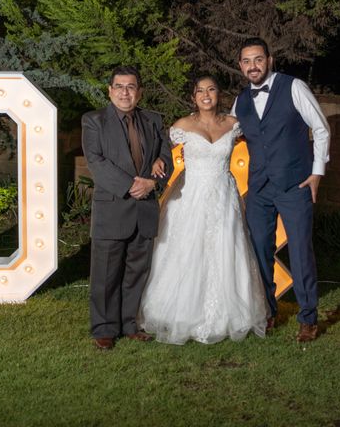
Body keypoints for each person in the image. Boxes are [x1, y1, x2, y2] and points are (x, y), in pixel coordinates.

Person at [139, 75, 268, 345]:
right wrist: (155, 162)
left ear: (219, 94)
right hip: (190, 196)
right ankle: (180, 312)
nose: (206, 95)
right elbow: (161, 150)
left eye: (211, 89)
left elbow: (262, 141)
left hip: (224, 194)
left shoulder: (234, 125)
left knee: (225, 247)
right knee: (187, 249)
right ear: (193, 97)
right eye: (200, 91)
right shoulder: (182, 126)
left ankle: (227, 314)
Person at [232, 37, 330, 343]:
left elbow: (322, 128)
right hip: (259, 189)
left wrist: (317, 173)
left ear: (269, 60)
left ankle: (308, 318)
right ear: (241, 66)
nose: (253, 66)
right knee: (260, 250)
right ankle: (268, 311)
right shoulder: (241, 101)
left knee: (300, 251)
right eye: (247, 61)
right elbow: (227, 136)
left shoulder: (294, 87)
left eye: (258, 59)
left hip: (294, 184)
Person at [81, 65, 172, 350]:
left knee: (136, 272)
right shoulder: (93, 121)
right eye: (119, 86)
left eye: (131, 87)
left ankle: (129, 324)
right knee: (106, 274)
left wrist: (155, 180)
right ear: (110, 90)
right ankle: (104, 328)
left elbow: (166, 158)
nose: (125, 92)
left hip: (144, 209)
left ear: (139, 92)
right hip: (113, 207)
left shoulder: (154, 120)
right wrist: (134, 185)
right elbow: (96, 161)